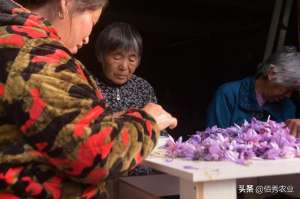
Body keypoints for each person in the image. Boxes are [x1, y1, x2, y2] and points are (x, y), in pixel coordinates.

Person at [0, 0, 177, 198]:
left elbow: (58, 126)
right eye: (93, 22)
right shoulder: (34, 53)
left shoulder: (12, 39)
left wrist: (117, 119)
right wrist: (148, 121)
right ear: (65, 4)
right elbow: (95, 154)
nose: (87, 39)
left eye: (132, 58)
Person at [206, 46, 300, 130]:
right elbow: (213, 138)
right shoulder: (228, 94)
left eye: (292, 90)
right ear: (271, 73)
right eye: (287, 88)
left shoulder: (288, 106)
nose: (288, 95)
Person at [94, 22, 157, 112]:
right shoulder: (88, 86)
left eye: (131, 60)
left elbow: (154, 122)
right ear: (100, 55)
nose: (124, 67)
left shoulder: (143, 88)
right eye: (117, 58)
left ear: (138, 61)